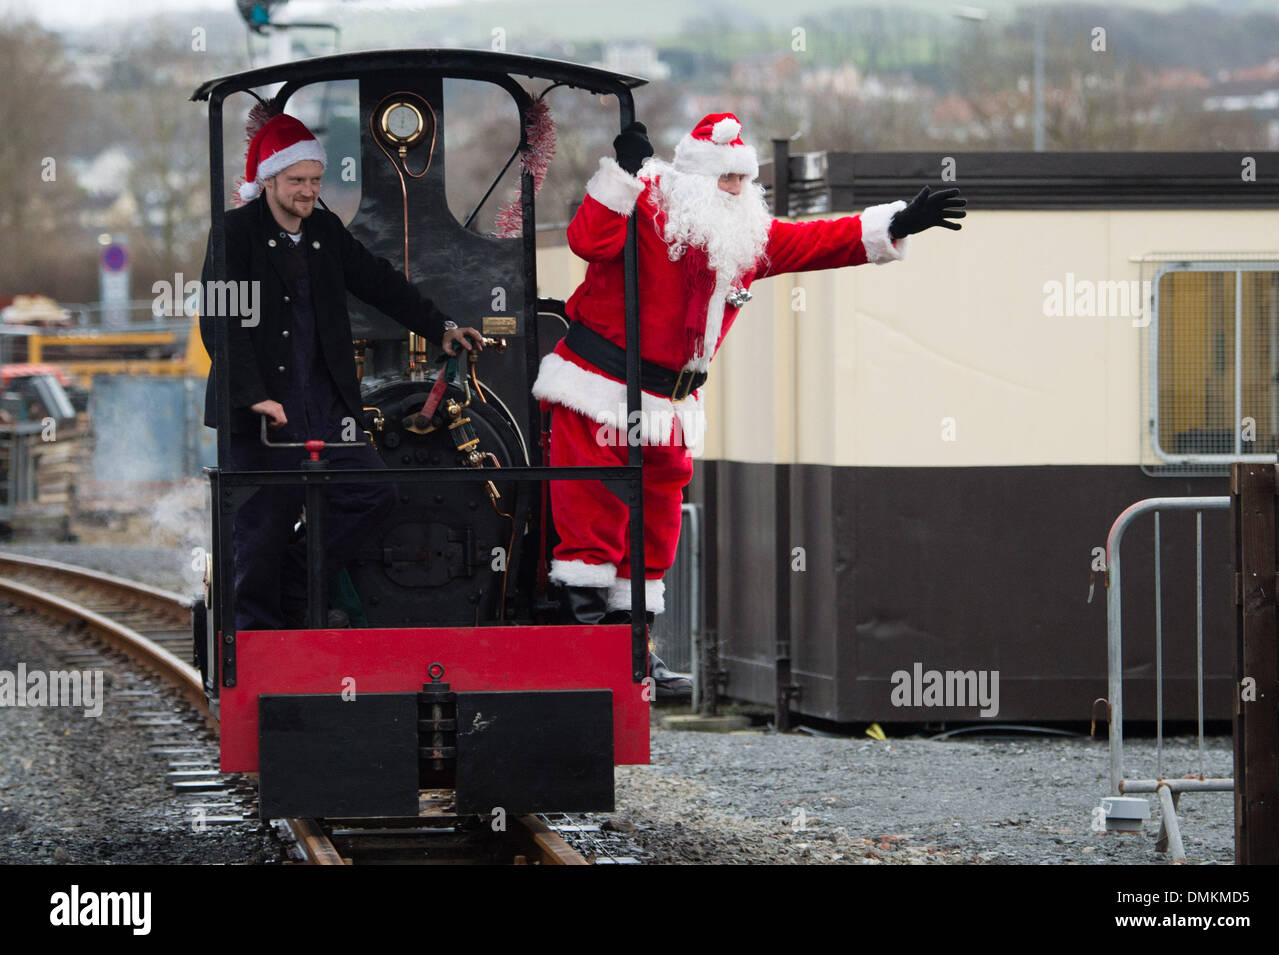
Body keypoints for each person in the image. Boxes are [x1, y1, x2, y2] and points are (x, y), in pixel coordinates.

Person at [532, 112, 964, 696]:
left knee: (655, 527)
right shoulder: (646, 210)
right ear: (695, 179)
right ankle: (586, 648)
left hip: (669, 406)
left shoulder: (746, 240)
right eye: (726, 180)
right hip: (597, 386)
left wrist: (899, 221)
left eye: (743, 180)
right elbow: (587, 240)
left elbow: (822, 241)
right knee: (593, 518)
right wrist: (626, 175)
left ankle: (635, 650)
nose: (737, 191)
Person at [200, 110, 482, 631]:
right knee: (262, 524)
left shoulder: (324, 230)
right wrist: (253, 395)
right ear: (268, 180)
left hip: (328, 408)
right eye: (296, 182)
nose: (308, 191)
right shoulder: (233, 235)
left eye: (313, 180)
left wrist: (440, 324)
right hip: (265, 414)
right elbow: (218, 324)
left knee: (373, 494)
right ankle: (255, 635)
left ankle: (294, 576)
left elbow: (378, 281)